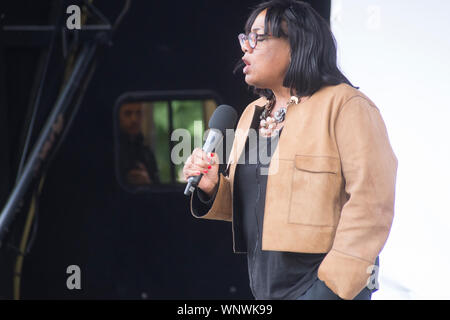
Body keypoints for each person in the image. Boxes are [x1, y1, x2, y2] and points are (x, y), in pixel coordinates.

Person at [183, 0, 397, 300]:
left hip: (325, 288)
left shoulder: (346, 106)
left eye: (258, 37)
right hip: (268, 289)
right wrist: (214, 187)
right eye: (245, 38)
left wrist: (331, 287)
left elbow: (372, 204)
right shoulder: (253, 113)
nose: (246, 47)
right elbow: (261, 203)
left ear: (296, 43)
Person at [118, 102, 160, 187]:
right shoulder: (114, 151)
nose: (134, 119)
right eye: (128, 113)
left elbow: (157, 186)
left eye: (138, 113)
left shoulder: (146, 153)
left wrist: (147, 182)